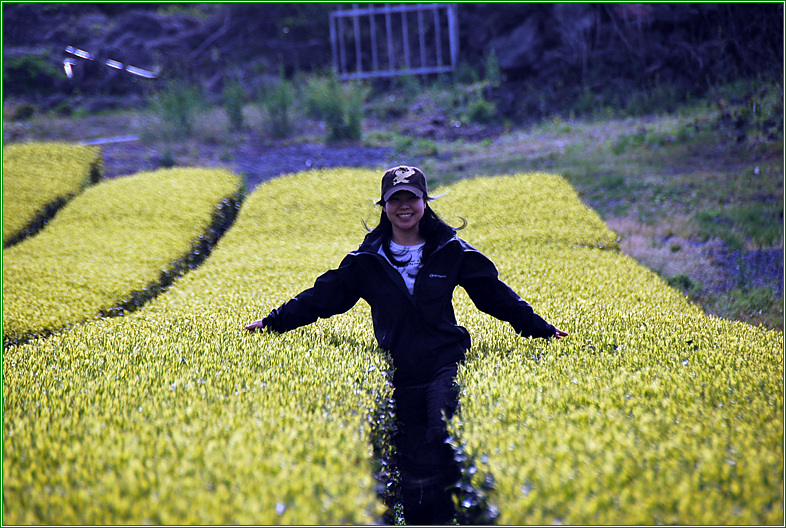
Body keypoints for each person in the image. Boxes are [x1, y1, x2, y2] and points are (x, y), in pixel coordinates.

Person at [245, 165, 568, 524]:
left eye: (411, 198)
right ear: (383, 205)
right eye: (394, 199)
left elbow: (495, 296)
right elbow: (323, 298)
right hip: (399, 370)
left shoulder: (450, 250)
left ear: (424, 202)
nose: (404, 206)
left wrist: (541, 329)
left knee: (442, 430)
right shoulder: (366, 260)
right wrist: (273, 322)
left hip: (446, 362)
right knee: (412, 464)